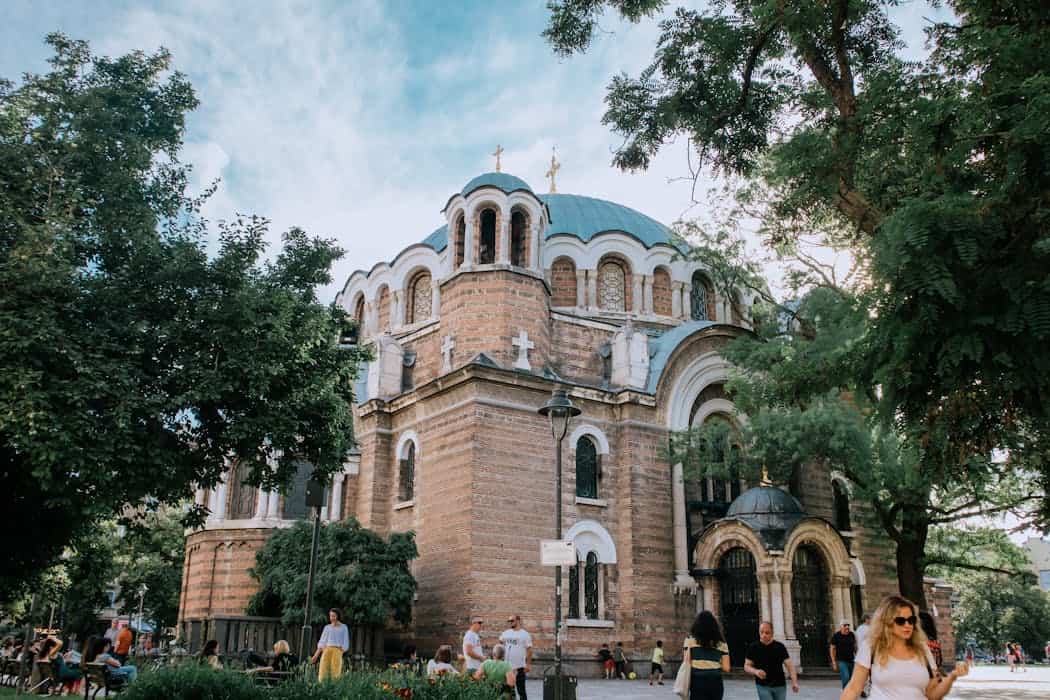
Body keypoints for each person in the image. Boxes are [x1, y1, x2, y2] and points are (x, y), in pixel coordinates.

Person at [839, 594, 969, 700]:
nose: (907, 625)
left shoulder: (923, 649)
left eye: (911, 620)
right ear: (887, 623)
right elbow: (854, 688)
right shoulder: (871, 647)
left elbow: (933, 694)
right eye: (900, 621)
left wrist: (952, 676)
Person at [744, 621, 799, 699]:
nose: (764, 635)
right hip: (762, 685)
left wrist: (794, 682)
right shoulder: (753, 647)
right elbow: (746, 666)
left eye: (767, 633)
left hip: (780, 685)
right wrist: (756, 671)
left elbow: (790, 666)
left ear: (772, 633)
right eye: (761, 632)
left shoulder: (780, 647)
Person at [684, 610, 730, 700]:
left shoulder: (689, 641)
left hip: (697, 681)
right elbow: (726, 668)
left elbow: (686, 663)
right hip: (715, 681)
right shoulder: (722, 643)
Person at [499, 614, 532, 700]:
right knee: (507, 691)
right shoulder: (505, 633)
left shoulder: (525, 634)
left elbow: (529, 650)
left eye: (512, 620)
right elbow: (500, 645)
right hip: (507, 667)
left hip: (519, 667)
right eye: (509, 621)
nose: (510, 622)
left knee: (521, 691)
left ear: (518, 621)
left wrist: (528, 664)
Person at [310, 607, 349, 681]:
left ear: (338, 616)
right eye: (330, 616)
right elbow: (322, 642)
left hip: (337, 651)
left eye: (333, 616)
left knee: (335, 673)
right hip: (326, 651)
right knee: (323, 671)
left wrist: (341, 651)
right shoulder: (327, 628)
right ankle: (322, 689)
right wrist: (315, 655)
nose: (332, 618)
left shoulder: (344, 627)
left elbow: (345, 642)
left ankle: (334, 690)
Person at [830, 619, 857, 688]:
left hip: (851, 659)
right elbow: (832, 649)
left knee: (852, 678)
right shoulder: (836, 635)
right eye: (845, 625)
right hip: (841, 660)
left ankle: (850, 693)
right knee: (846, 677)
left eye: (848, 625)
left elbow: (855, 646)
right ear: (841, 627)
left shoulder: (852, 634)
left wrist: (857, 656)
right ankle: (845, 692)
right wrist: (833, 662)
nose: (847, 627)